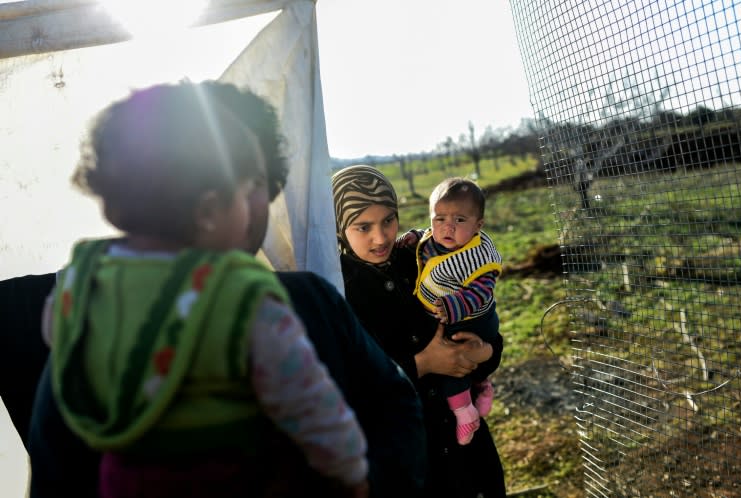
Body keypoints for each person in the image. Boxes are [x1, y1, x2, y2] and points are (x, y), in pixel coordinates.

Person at [15, 80, 426, 498]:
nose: (249, 203)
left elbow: (396, 408)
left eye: (257, 183)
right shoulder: (269, 304)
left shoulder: (89, 305)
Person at [331, 165, 507, 498]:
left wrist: (484, 352)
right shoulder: (338, 291)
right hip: (408, 457)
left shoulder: (420, 257)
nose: (380, 237)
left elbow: (482, 325)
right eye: (362, 226)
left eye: (388, 220)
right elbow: (349, 386)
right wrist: (423, 364)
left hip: (464, 447)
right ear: (339, 229)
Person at [397, 177, 503, 446]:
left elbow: (481, 292)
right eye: (439, 218)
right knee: (458, 361)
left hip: (476, 319)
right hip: (454, 318)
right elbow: (425, 236)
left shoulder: (478, 256)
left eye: (459, 220)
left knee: (451, 363)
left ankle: (464, 412)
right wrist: (413, 235)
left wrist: (454, 306)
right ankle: (482, 386)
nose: (447, 227)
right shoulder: (436, 238)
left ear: (478, 225)